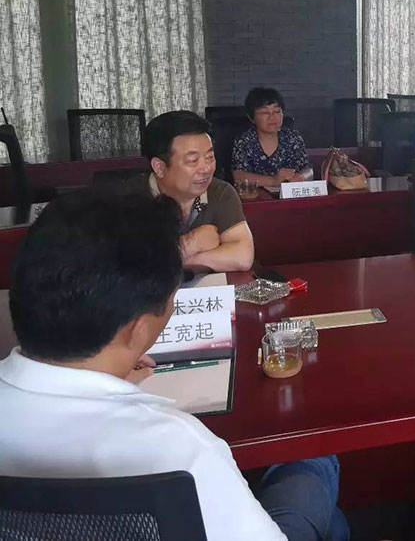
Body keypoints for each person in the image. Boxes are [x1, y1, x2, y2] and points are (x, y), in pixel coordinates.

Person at [0, 189, 349, 541]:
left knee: (333, 523)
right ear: (138, 329)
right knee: (312, 461)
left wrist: (112, 366)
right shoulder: (182, 448)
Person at [142, 110, 255, 272]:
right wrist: (191, 243)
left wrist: (172, 260)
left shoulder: (220, 192)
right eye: (192, 160)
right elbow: (120, 264)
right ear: (159, 167)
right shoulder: (125, 199)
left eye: (210, 157)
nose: (206, 169)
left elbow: (242, 257)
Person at [233, 87, 311, 187]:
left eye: (277, 111)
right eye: (265, 113)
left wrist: (301, 177)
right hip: (256, 195)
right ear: (251, 117)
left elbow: (308, 170)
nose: (272, 117)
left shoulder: (292, 137)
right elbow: (238, 176)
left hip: (289, 194)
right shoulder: (244, 141)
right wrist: (273, 181)